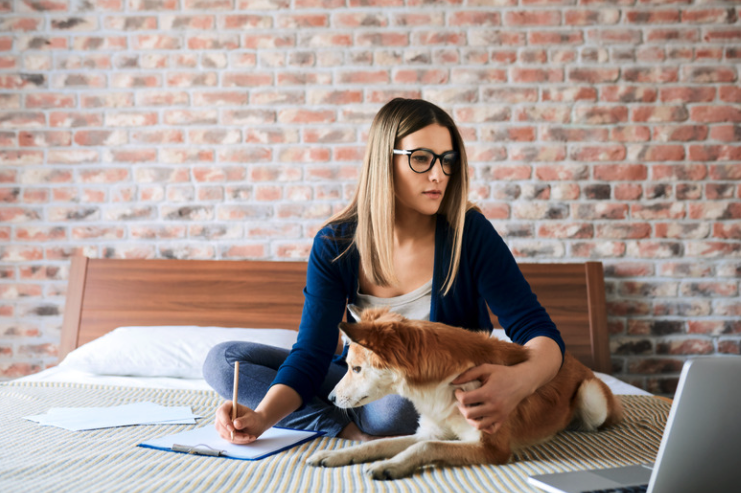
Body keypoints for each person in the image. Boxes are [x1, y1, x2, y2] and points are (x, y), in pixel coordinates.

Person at [202, 98, 565, 443]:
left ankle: (350, 417)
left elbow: (536, 329)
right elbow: (313, 353)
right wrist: (263, 417)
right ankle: (340, 425)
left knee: (396, 409)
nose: (439, 174)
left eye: (447, 160)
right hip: (356, 376)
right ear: (384, 161)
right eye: (421, 158)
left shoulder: (468, 234)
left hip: (425, 393)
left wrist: (520, 381)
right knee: (222, 361)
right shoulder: (336, 243)